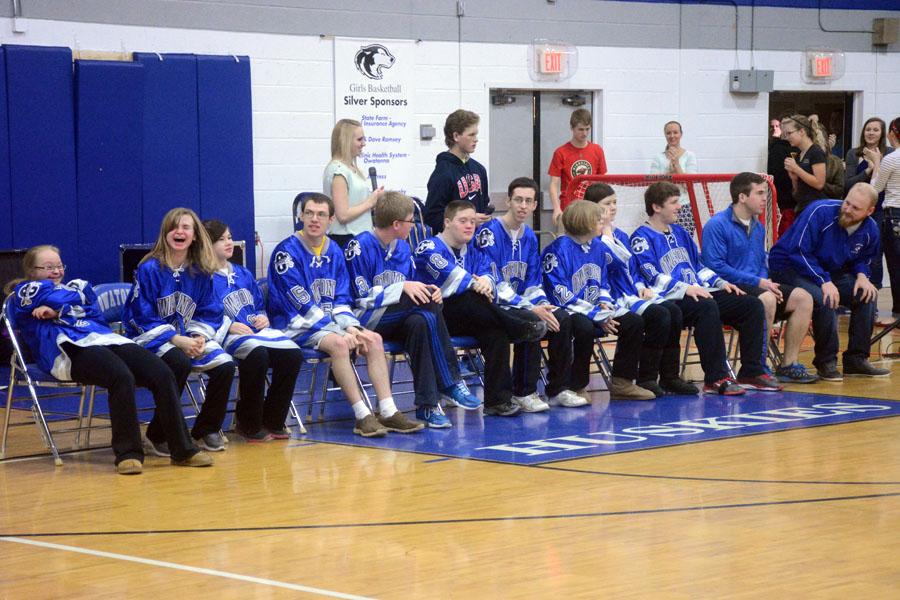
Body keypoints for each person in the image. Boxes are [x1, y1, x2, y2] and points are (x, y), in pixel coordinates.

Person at [4, 246, 212, 474]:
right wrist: (71, 303)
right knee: (121, 376)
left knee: (162, 372)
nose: (56, 271)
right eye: (48, 267)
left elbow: (92, 308)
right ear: (31, 271)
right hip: (65, 350)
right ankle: (128, 453)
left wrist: (59, 309)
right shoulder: (23, 292)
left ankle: (183, 450)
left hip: (104, 339)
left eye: (59, 265)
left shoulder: (76, 286)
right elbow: (63, 296)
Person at [267, 193, 422, 437]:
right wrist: (340, 331)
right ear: (300, 217)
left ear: (331, 220)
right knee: (340, 344)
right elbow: (301, 306)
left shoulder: (335, 252)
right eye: (309, 213)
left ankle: (389, 411)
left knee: (373, 339)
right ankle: (362, 415)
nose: (314, 219)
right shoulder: (285, 253)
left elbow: (341, 300)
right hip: (294, 325)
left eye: (321, 215)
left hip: (329, 324)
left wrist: (352, 327)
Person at [344, 191, 480, 429]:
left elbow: (415, 288)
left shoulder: (403, 249)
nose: (415, 225)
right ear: (396, 224)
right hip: (364, 320)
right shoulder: (359, 246)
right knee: (425, 304)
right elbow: (361, 297)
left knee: (422, 320)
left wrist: (432, 289)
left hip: (396, 319)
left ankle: (427, 407)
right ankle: (450, 381)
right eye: (411, 221)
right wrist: (402, 287)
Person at [630, 182, 782, 394]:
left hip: (699, 292)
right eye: (674, 203)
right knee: (707, 307)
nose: (679, 207)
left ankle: (751, 371)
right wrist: (684, 289)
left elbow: (698, 266)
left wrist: (721, 283)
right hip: (670, 298)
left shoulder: (681, 234)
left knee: (751, 304)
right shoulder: (641, 238)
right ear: (656, 207)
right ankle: (716, 377)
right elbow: (651, 275)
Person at [414, 200, 546, 416]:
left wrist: (485, 281)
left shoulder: (473, 250)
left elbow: (489, 274)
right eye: (463, 221)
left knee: (496, 333)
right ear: (447, 222)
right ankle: (520, 323)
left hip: (474, 316)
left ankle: (497, 401)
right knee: (470, 297)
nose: (469, 226)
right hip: (437, 316)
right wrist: (475, 283)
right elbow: (451, 275)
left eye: (473, 221)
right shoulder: (428, 247)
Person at [123, 207, 236, 453]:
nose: (179, 231)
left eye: (186, 227)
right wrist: (175, 339)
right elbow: (140, 315)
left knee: (226, 365)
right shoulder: (149, 269)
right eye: (174, 227)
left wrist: (198, 337)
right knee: (179, 363)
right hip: (149, 339)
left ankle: (206, 429)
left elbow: (209, 311)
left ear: (194, 235)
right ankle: (157, 434)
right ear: (165, 234)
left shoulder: (201, 271)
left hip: (187, 336)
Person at [475, 177, 588, 410]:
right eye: (518, 200)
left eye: (528, 201)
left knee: (561, 318)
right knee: (532, 320)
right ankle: (523, 392)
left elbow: (533, 281)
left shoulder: (528, 236)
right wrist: (530, 307)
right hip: (495, 305)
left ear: (536, 205)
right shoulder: (489, 232)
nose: (522, 206)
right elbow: (492, 280)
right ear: (508, 200)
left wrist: (543, 305)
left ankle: (558, 389)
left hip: (522, 302)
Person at [700, 173, 817, 384]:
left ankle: (788, 364)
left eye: (765, 193)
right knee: (766, 298)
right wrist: (760, 283)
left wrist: (766, 282)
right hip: (729, 289)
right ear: (742, 197)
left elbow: (761, 261)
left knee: (803, 297)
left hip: (757, 285)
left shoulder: (758, 226)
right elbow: (714, 266)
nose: (765, 198)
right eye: (760, 193)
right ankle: (757, 367)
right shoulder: (716, 225)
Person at [583, 183, 699, 395]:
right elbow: (612, 264)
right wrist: (606, 232)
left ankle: (666, 376)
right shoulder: (592, 238)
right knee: (658, 315)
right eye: (607, 204)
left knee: (672, 311)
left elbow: (632, 269)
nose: (613, 208)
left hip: (630, 293)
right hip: (611, 297)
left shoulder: (622, 236)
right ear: (592, 207)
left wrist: (640, 286)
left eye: (615, 202)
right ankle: (640, 378)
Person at [769, 183, 888, 380]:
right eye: (847, 203)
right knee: (825, 298)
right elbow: (798, 251)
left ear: (870, 211)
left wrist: (862, 276)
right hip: (789, 267)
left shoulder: (871, 230)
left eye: (855, 208)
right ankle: (826, 362)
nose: (847, 210)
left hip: (829, 272)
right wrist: (823, 280)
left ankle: (856, 359)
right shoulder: (819, 211)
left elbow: (864, 258)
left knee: (866, 295)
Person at [541, 201, 656, 400]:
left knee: (633, 322)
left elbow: (604, 283)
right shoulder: (557, 249)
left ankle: (623, 382)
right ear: (584, 222)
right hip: (568, 310)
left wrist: (605, 304)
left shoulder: (598, 247)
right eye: (598, 220)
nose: (602, 223)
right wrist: (597, 315)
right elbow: (561, 294)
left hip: (596, 309)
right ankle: (577, 385)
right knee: (584, 327)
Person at [204, 219, 303, 441]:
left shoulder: (243, 273)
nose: (229, 243)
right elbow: (201, 311)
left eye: (229, 237)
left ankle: (274, 419)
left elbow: (258, 303)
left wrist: (263, 317)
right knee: (257, 355)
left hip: (255, 331)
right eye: (221, 240)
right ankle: (248, 422)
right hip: (227, 336)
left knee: (293, 355)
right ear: (206, 244)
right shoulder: (203, 277)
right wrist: (228, 325)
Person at [845, 117, 893, 305]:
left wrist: (878, 164)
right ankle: (852, 293)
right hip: (857, 209)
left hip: (880, 209)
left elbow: (882, 185)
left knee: (876, 253)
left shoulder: (889, 153)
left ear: (882, 134)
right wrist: (868, 170)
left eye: (875, 130)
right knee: (853, 250)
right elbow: (847, 183)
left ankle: (873, 296)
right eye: (868, 129)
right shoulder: (853, 154)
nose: (871, 133)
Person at [423, 109, 491, 234]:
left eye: (476, 134)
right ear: (456, 136)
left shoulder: (479, 169)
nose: (476, 139)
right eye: (471, 135)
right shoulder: (443, 173)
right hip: (452, 245)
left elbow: (485, 203)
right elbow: (432, 217)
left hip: (476, 242)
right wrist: (468, 221)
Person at [324, 119, 386, 248]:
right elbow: (342, 215)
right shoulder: (338, 171)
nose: (363, 144)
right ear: (346, 141)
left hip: (360, 236)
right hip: (347, 239)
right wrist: (370, 202)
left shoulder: (351, 169)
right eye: (359, 140)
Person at [548, 108, 608, 227]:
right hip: (570, 206)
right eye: (580, 129)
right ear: (572, 128)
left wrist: (604, 205)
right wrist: (556, 208)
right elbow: (553, 184)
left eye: (587, 129)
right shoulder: (561, 152)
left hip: (592, 205)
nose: (584, 133)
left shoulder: (597, 150)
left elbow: (603, 182)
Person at [869, 116, 900, 325]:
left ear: (891, 133)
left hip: (894, 215)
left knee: (896, 265)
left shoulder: (892, 158)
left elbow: (875, 188)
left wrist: (877, 163)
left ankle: (898, 310)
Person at [649, 120, 698, 233]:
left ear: (681, 134)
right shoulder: (658, 158)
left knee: (684, 240)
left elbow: (689, 185)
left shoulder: (690, 156)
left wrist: (677, 165)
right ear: (665, 135)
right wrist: (669, 174)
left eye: (675, 132)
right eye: (668, 133)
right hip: (662, 208)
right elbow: (653, 187)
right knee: (663, 240)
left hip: (684, 206)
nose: (672, 136)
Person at [782, 114, 827, 215]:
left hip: (815, 208)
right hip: (802, 206)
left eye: (789, 133)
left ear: (802, 131)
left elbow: (819, 184)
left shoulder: (816, 152)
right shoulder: (798, 155)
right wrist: (794, 178)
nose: (787, 137)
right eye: (786, 134)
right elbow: (797, 193)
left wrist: (796, 169)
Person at [768, 116, 797, 236]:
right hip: (784, 203)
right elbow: (777, 175)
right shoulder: (777, 150)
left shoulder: (806, 151)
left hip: (795, 202)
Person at [813, 122, 845, 200]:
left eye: (818, 142)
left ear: (825, 142)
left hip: (828, 204)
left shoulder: (835, 162)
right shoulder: (802, 159)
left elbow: (839, 190)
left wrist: (817, 183)